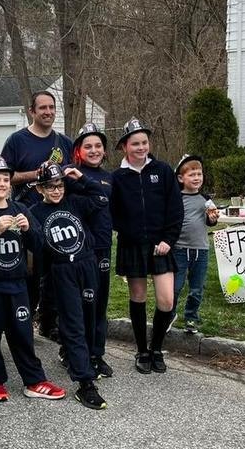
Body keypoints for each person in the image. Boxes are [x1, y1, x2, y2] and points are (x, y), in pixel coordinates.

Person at [0, 157, 66, 403]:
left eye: (5, 179)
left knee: (23, 333)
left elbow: (39, 245)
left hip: (18, 285)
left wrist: (28, 230)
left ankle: (33, 380)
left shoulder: (20, 209)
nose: (2, 183)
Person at [31, 161, 109, 410]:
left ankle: (84, 359)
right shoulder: (35, 212)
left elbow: (101, 197)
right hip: (61, 272)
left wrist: (80, 177)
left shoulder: (74, 201)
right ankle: (85, 383)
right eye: (49, 187)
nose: (56, 191)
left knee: (90, 318)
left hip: (87, 265)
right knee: (73, 323)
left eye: (59, 185)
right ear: (40, 189)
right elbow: (33, 242)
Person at [110, 118, 184, 376]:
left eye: (144, 142)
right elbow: (112, 212)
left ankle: (156, 348)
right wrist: (127, 230)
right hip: (133, 246)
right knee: (138, 297)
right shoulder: (117, 177)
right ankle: (141, 350)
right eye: (135, 143)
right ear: (124, 147)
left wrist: (168, 240)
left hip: (161, 245)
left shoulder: (162, 171)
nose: (141, 147)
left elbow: (175, 210)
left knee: (166, 300)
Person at [0, 90, 74, 340]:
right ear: (32, 111)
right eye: (42, 108)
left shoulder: (64, 143)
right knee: (30, 272)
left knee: (55, 272)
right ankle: (25, 321)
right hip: (27, 216)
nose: (48, 112)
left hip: (57, 217)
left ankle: (49, 324)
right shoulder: (17, 141)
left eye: (52, 107)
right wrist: (37, 174)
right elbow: (5, 176)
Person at [72, 122, 114, 378]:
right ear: (79, 150)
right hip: (79, 251)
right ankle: (75, 352)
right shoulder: (72, 176)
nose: (94, 150)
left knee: (100, 305)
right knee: (80, 304)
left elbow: (113, 207)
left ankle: (97, 353)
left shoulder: (111, 178)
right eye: (88, 146)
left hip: (103, 249)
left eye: (98, 145)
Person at [172, 155, 219, 335]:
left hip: (201, 250)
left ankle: (191, 317)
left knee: (196, 288)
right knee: (175, 287)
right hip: (180, 249)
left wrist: (213, 219)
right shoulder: (176, 198)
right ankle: (169, 314)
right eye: (192, 174)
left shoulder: (206, 199)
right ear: (181, 178)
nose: (197, 178)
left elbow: (211, 220)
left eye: (199, 174)